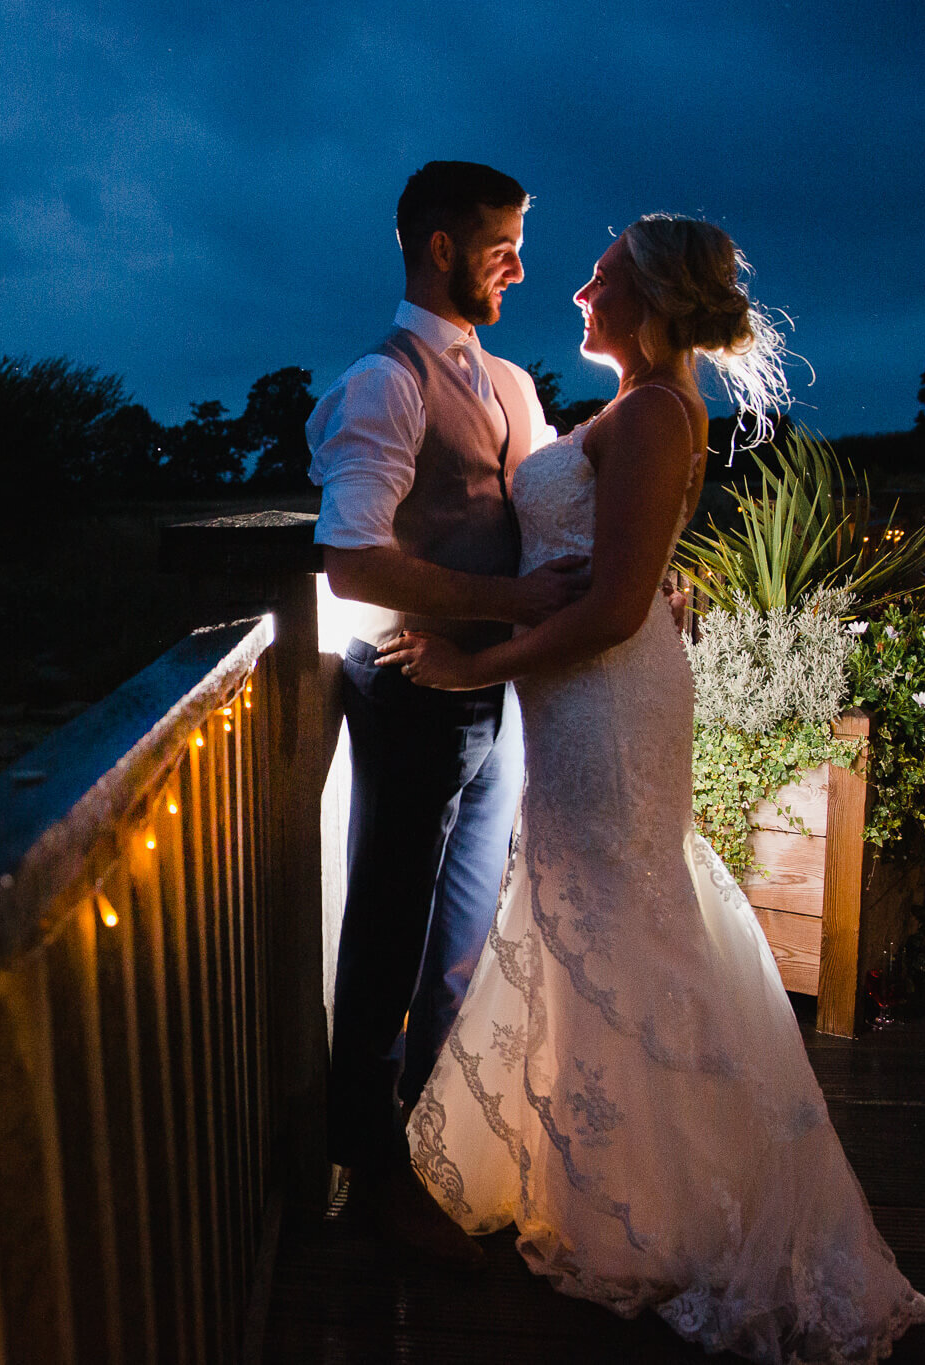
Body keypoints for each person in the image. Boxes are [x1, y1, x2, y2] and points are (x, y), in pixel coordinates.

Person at [379, 215, 925, 1362]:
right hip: (593, 699)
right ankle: (602, 1179)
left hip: (604, 699)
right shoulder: (647, 410)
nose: (574, 291)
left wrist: (466, 663)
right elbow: (626, 569)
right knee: (603, 907)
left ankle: (658, 1207)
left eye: (597, 277)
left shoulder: (646, 414)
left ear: (650, 301)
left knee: (615, 910)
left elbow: (613, 608)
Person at [305, 160, 587, 1263]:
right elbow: (347, 558)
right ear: (436, 246)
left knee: (460, 941)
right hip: (414, 693)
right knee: (387, 929)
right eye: (497, 243)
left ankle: (433, 1144)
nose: (517, 263)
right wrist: (505, 602)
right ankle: (364, 1171)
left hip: (496, 693)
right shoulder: (383, 382)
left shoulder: (511, 381)